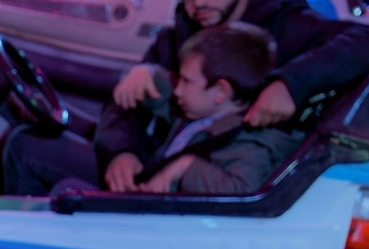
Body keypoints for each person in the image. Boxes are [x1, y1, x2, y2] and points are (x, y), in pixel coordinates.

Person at [0, 0, 369, 196]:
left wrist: (291, 83)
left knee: (36, 160)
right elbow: (123, 109)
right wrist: (122, 152)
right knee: (23, 139)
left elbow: (367, 41)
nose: (198, 1)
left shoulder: (287, 25)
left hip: (200, 188)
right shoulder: (182, 31)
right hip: (159, 160)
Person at [127, 23, 306, 196]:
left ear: (221, 91)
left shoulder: (250, 142)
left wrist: (186, 167)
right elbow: (160, 88)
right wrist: (145, 72)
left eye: (186, 81)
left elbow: (243, 190)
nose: (178, 90)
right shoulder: (199, 107)